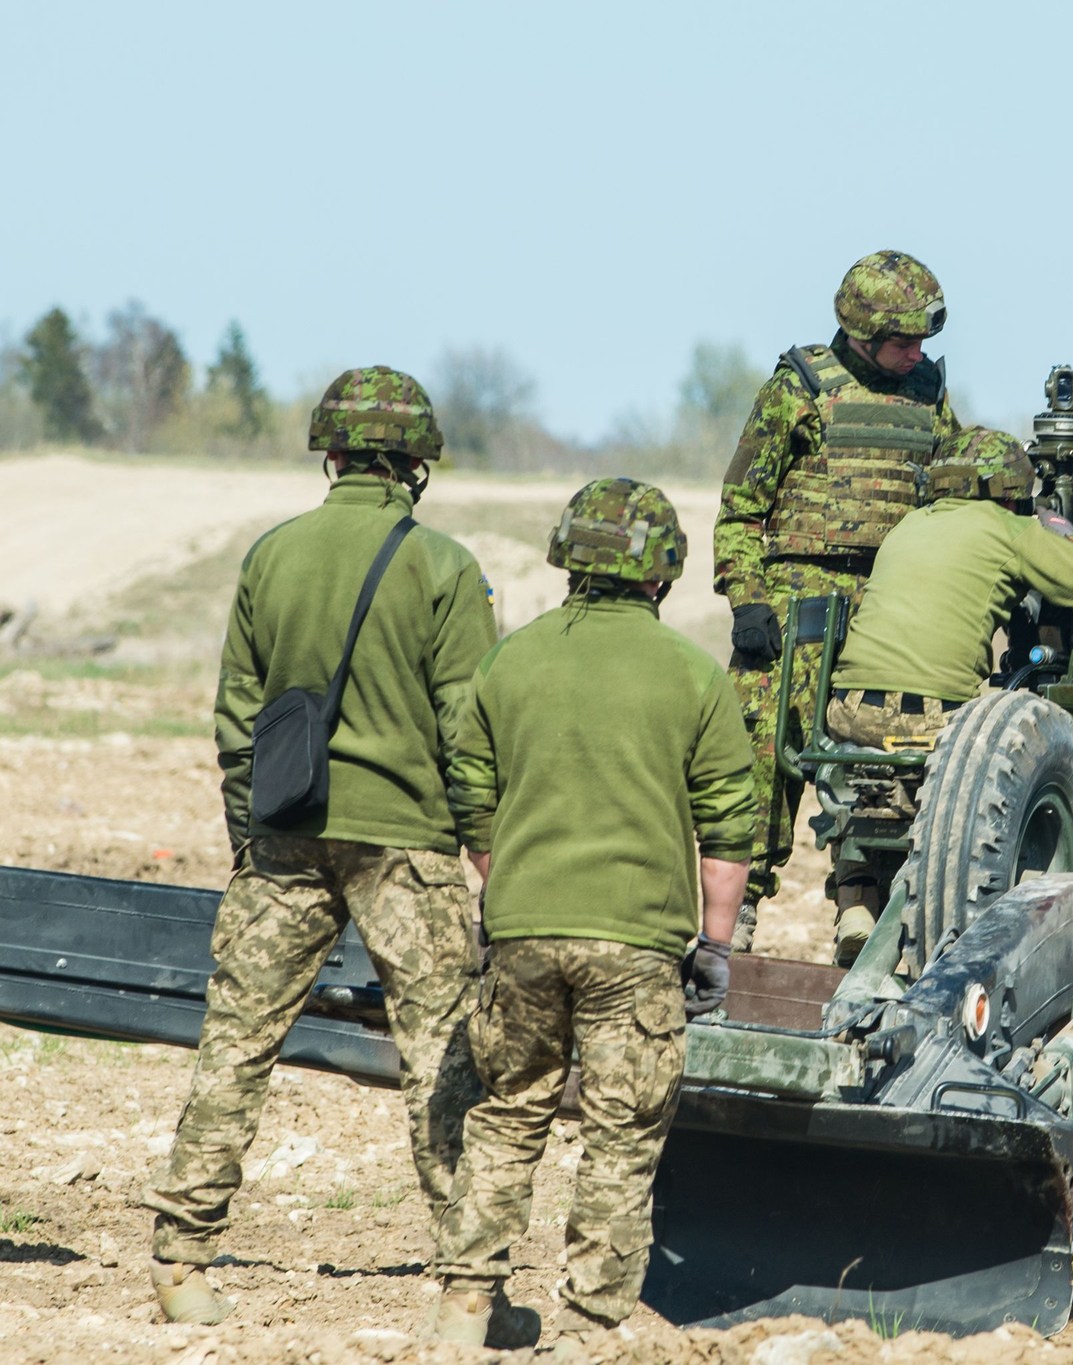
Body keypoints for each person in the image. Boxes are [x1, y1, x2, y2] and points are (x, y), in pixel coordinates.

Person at [142, 367, 494, 1325]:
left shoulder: (271, 556)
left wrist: (249, 834)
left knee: (237, 1041)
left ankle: (181, 1261)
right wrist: (486, 848)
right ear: (416, 464)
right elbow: (470, 729)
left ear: (330, 454)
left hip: (286, 834)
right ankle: (466, 1291)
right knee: (442, 1058)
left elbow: (237, 719)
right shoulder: (445, 568)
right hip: (408, 840)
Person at [426, 478, 753, 1347]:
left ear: (570, 556)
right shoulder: (692, 673)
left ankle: (464, 1308)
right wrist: (715, 947)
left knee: (506, 1111)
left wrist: (507, 879)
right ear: (663, 571)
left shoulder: (511, 660)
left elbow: (470, 788)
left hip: (523, 933)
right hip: (638, 945)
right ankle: (586, 1326)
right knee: (622, 1131)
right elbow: (728, 823)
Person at [713, 249, 960, 950]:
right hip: (795, 604)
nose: (916, 354)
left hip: (890, 601)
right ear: (862, 333)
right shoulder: (797, 389)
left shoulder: (926, 392)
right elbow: (740, 507)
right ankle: (736, 915)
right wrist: (746, 599)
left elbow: (956, 477)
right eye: (903, 341)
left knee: (881, 758)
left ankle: (861, 903)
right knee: (758, 757)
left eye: (922, 342)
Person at [823, 428, 1073, 963]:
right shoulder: (1006, 528)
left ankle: (857, 896)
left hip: (847, 713)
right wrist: (1056, 529)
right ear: (1009, 489)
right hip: (932, 721)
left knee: (867, 791)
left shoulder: (909, 524)